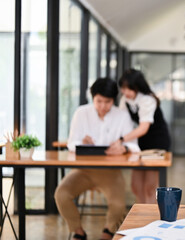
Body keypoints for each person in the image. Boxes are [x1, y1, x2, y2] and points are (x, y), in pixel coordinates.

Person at [54, 77, 140, 240]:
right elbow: (71, 143)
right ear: (92, 98)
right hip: (82, 171)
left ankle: (108, 232)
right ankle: (78, 232)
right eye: (98, 101)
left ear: (113, 100)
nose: (102, 106)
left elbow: (135, 147)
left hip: (110, 172)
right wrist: (82, 143)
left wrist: (124, 148)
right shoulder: (81, 113)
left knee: (118, 205)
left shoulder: (122, 116)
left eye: (107, 102)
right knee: (61, 194)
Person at [107, 69, 171, 204]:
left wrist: (121, 140)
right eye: (123, 88)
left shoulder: (147, 100)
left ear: (137, 87)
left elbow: (143, 128)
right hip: (139, 141)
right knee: (136, 186)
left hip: (157, 141)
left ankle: (151, 218)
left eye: (129, 88)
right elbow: (122, 122)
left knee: (150, 186)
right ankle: (142, 213)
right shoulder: (125, 100)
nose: (125, 92)